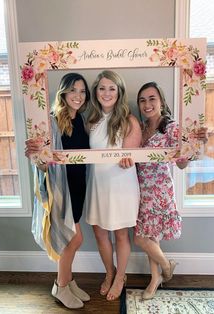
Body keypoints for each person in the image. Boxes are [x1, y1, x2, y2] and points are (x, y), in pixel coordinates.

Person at [120, 81, 208, 301]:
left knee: (142, 239)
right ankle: (157, 276)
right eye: (142, 100)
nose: (147, 104)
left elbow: (181, 164)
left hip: (160, 190)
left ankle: (164, 269)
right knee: (150, 238)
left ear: (161, 101)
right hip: (140, 189)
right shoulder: (141, 126)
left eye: (152, 99)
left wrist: (196, 145)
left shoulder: (171, 127)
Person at [25, 73, 91, 309]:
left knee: (75, 238)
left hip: (77, 187)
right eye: (73, 90)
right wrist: (36, 157)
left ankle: (68, 281)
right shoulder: (52, 121)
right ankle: (61, 286)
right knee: (71, 240)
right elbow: (42, 163)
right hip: (61, 189)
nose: (78, 96)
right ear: (63, 92)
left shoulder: (81, 120)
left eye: (82, 91)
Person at [84, 70, 142, 301]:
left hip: (121, 185)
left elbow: (131, 155)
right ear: (96, 91)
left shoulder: (129, 120)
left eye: (112, 88)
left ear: (119, 92)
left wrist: (129, 160)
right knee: (99, 234)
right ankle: (109, 272)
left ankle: (121, 276)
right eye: (102, 88)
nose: (106, 93)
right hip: (97, 185)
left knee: (120, 235)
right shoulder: (91, 120)